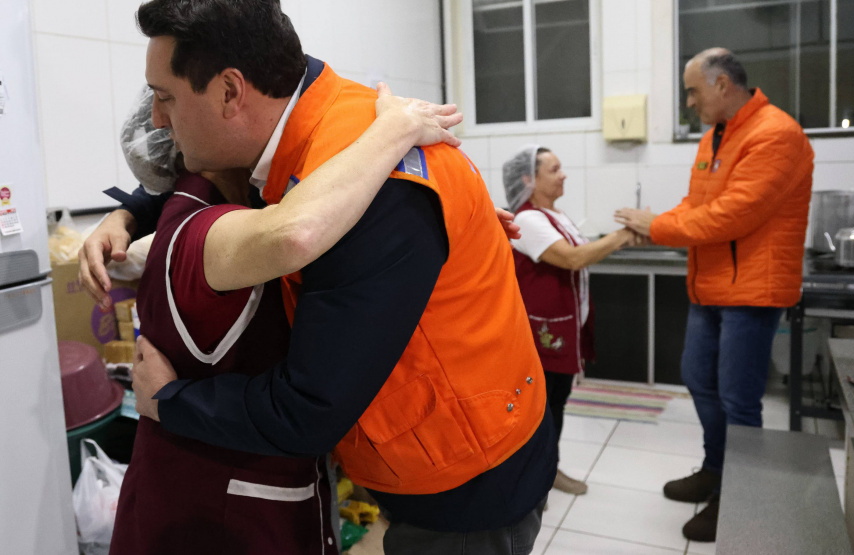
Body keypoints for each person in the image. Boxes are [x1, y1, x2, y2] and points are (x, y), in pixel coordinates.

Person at [83, 1, 556, 553]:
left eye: (164, 97)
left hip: (467, 478)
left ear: (232, 92)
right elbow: (196, 160)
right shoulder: (311, 118)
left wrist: (168, 400)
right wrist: (128, 211)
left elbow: (306, 408)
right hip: (416, 441)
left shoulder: (373, 189)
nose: (158, 120)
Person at [108, 82, 464, 554]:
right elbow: (297, 230)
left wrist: (434, 211)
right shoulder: (206, 229)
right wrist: (392, 134)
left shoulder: (224, 205)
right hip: (232, 494)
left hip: (200, 477)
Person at [614, 48, 814, 542]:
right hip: (711, 285)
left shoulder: (776, 135)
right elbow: (698, 205)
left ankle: (739, 494)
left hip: (751, 290)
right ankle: (716, 469)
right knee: (698, 378)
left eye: (692, 90)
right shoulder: (714, 137)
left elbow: (733, 215)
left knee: (738, 399)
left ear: (722, 84)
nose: (689, 101)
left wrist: (656, 226)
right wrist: (658, 225)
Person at [503, 145, 636, 496]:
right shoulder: (527, 219)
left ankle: (548, 471)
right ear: (528, 179)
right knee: (539, 409)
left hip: (562, 325)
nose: (563, 175)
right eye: (554, 169)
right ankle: (531, 482)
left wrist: (617, 240)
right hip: (541, 331)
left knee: (556, 402)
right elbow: (574, 258)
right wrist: (621, 236)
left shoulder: (555, 215)